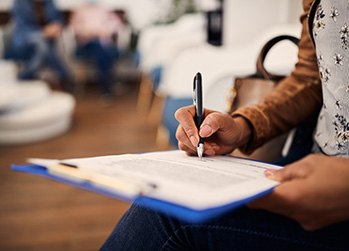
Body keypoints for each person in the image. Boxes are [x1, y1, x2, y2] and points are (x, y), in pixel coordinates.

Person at [101, 0, 349, 250]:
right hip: (308, 162)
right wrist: (243, 125)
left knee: (167, 216)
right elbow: (309, 77)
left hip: (333, 198)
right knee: (172, 198)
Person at [11, 0, 75, 93]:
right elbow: (22, 26)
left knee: (43, 46)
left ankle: (25, 77)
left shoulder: (49, 2)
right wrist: (42, 33)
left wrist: (56, 26)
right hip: (25, 40)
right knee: (42, 44)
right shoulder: (20, 3)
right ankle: (64, 77)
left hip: (47, 41)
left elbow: (57, 18)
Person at [69, 1, 123, 97]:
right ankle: (107, 87)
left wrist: (104, 31)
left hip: (103, 42)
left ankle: (105, 87)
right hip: (87, 43)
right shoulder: (80, 10)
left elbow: (116, 24)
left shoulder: (104, 9)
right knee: (103, 52)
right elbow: (74, 27)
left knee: (102, 52)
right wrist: (87, 32)